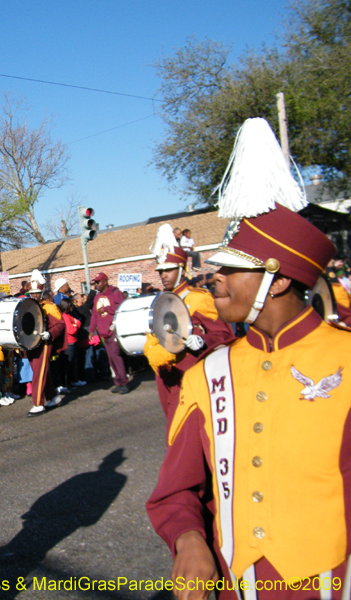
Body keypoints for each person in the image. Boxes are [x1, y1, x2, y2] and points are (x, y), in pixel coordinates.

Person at [146, 117, 347, 597]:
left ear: (278, 280)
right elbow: (176, 490)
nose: (216, 277)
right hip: (239, 585)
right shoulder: (209, 373)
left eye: (233, 270)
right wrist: (189, 538)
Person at [144, 224, 235, 425]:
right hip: (166, 374)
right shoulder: (159, 302)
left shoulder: (199, 299)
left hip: (191, 374)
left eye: (168, 270)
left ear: (181, 269)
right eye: (161, 271)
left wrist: (203, 340)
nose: (163, 275)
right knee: (173, 429)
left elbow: (225, 336)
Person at [25, 270, 66, 416]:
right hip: (31, 344)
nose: (34, 295)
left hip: (44, 343)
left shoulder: (49, 307)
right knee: (40, 372)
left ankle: (38, 404)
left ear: (41, 293)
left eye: (37, 292)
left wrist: (50, 333)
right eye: (32, 293)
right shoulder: (27, 307)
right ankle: (53, 396)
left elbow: (60, 325)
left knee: (38, 372)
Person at [90, 273, 129, 394]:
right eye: (95, 283)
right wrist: (92, 330)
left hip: (114, 330)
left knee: (116, 356)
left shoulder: (115, 292)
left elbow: (122, 307)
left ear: (105, 282)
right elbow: (95, 315)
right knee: (111, 358)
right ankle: (118, 381)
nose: (96, 285)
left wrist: (107, 309)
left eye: (98, 282)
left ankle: (124, 382)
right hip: (103, 332)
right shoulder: (97, 297)